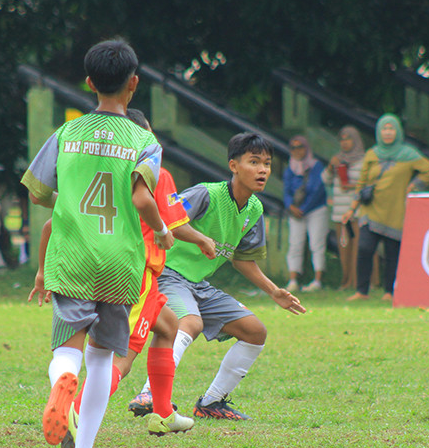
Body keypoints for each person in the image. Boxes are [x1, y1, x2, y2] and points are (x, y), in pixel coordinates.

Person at [20, 39, 173, 448]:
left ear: (89, 84)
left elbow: (36, 191)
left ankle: (61, 384)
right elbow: (143, 197)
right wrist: (161, 230)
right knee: (103, 358)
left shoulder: (67, 133)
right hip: (119, 260)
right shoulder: (144, 139)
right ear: (134, 84)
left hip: (72, 255)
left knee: (67, 348)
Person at [29, 109, 216, 448]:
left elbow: (47, 215)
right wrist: (200, 238)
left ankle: (162, 413)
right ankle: (76, 420)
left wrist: (41, 271)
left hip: (89, 265)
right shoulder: (153, 169)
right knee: (120, 358)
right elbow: (172, 223)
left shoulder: (83, 154)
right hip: (135, 272)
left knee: (169, 326)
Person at [127, 132, 306, 421]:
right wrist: (200, 238)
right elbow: (163, 219)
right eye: (254, 162)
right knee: (190, 323)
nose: (262, 170)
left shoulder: (255, 209)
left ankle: (211, 403)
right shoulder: (207, 194)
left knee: (254, 332)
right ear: (233, 166)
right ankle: (149, 393)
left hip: (198, 285)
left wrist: (274, 291)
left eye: (267, 164)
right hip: (168, 274)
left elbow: (243, 260)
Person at [342, 114, 429, 302]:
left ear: (398, 131)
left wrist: (414, 185)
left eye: (391, 129)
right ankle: (362, 291)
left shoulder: (408, 154)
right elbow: (361, 184)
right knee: (364, 248)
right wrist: (352, 209)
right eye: (384, 129)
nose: (387, 133)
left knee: (393, 254)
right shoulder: (372, 154)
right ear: (379, 132)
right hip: (370, 211)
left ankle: (389, 292)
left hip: (395, 212)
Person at [282, 135, 328, 292]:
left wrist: (304, 208)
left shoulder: (316, 166)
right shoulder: (290, 168)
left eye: (300, 147)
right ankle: (293, 280)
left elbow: (318, 189)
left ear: (306, 148)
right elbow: (286, 191)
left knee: (317, 243)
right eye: (293, 147)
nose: (297, 151)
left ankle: (317, 280)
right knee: (295, 244)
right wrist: (290, 206)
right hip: (296, 211)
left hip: (316, 209)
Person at [326, 125, 366, 290]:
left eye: (348, 139)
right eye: (342, 140)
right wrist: (330, 167)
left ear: (355, 140)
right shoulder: (337, 159)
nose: (344, 143)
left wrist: (353, 185)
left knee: (358, 247)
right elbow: (325, 180)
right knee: (344, 247)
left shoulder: (364, 160)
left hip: (357, 210)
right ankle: (346, 281)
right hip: (340, 211)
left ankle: (360, 282)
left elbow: (367, 183)